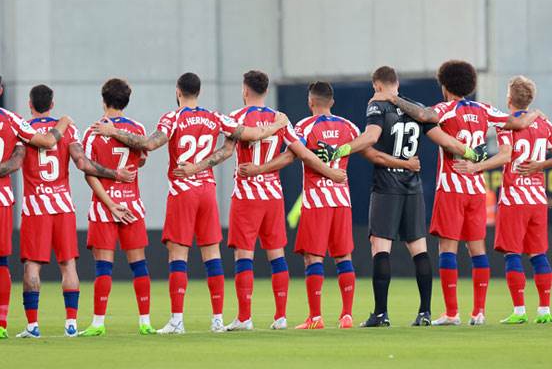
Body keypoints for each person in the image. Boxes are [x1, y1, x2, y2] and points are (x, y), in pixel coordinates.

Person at [92, 72, 289, 334]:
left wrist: (112, 130)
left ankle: (177, 320)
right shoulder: (214, 117)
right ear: (199, 92)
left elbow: (148, 144)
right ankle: (218, 319)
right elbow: (237, 143)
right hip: (207, 190)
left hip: (183, 191)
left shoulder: (173, 118)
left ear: (178, 91)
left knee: (178, 254)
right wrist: (276, 126)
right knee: (212, 253)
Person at [173, 70, 346, 331]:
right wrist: (331, 171)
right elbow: (302, 154)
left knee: (245, 255)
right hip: (273, 195)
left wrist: (195, 168)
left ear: (245, 90)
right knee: (277, 255)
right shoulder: (280, 119)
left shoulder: (236, 118)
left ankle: (245, 317)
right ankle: (281, 317)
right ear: (265, 91)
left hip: (246, 194)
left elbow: (227, 152)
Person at [0, 84, 137, 337]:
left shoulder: (24, 129)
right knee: (68, 266)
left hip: (35, 208)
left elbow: (15, 162)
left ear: (30, 104)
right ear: (52, 104)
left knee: (32, 267)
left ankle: (32, 326)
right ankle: (71, 324)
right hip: (63, 206)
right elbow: (82, 163)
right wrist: (114, 173)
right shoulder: (68, 129)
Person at [373, 60, 541, 325]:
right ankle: (479, 312)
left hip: (452, 187)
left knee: (447, 250)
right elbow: (515, 123)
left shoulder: (445, 109)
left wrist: (394, 99)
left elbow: (424, 116)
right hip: (476, 188)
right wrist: (533, 115)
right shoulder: (484, 109)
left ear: (445, 85)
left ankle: (452, 313)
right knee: (478, 251)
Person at [317, 66, 486, 327]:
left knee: (380, 246)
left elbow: (371, 137)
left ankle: (381, 314)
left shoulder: (377, 106)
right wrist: (474, 154)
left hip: (386, 185)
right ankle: (425, 313)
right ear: (396, 84)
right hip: (413, 186)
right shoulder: (415, 108)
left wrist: (340, 150)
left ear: (377, 86)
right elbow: (446, 140)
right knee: (418, 248)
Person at [240, 81, 381, 329]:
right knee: (343, 256)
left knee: (313, 258)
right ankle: (347, 314)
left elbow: (290, 155)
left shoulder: (304, 126)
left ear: (310, 102)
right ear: (332, 102)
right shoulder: (348, 126)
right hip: (342, 200)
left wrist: (260, 169)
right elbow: (367, 150)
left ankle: (315, 317)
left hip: (316, 201)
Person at [0, 69, 72, 339]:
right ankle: (4, 323)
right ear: (1, 90)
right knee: (1, 261)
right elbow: (47, 140)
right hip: (1, 200)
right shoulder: (13, 120)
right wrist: (63, 122)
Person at [455, 76, 552, 324]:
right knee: (539, 254)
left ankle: (519, 311)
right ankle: (544, 310)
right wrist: (541, 165)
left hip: (514, 199)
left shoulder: (506, 125)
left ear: (509, 99)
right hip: (538, 199)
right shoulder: (543, 123)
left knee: (512, 255)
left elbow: (505, 156)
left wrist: (477, 167)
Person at [79, 78, 153, 337]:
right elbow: (142, 159)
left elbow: (89, 173)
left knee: (103, 267)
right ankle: (145, 321)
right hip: (132, 204)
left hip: (103, 205)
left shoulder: (92, 132)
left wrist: (109, 203)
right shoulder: (137, 129)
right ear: (126, 101)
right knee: (139, 264)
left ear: (103, 100)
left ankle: (98, 323)